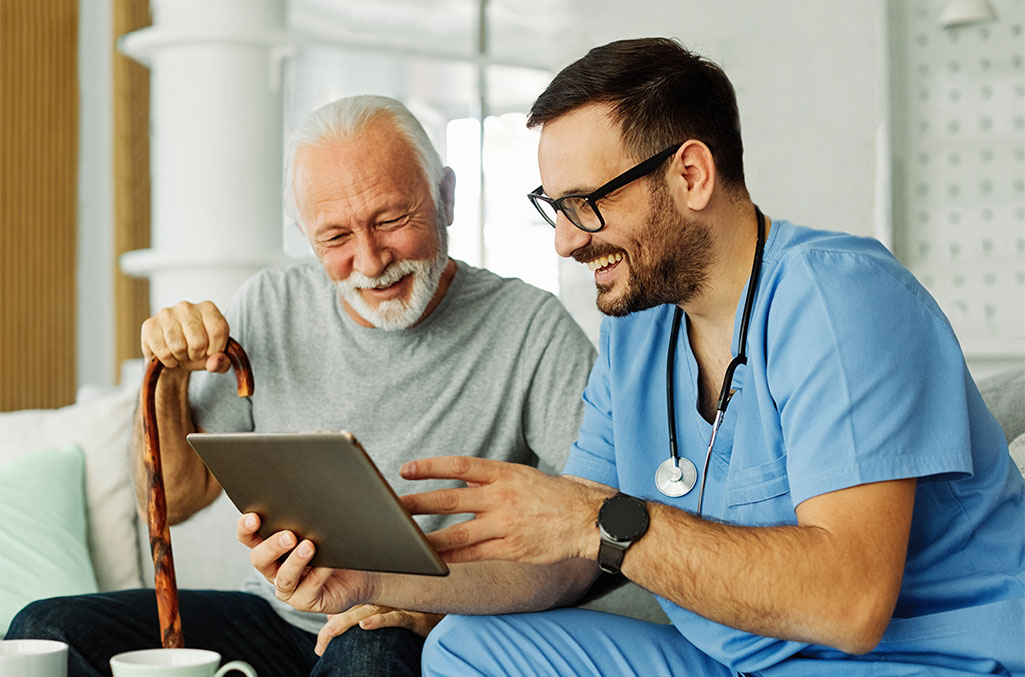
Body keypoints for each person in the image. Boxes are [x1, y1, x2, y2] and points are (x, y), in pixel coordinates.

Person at [246, 39, 1025, 676]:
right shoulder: (638, 327)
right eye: (553, 209)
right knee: (464, 650)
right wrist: (375, 581)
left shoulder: (840, 298)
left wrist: (594, 516)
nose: (564, 241)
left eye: (587, 204)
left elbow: (849, 605)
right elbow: (566, 562)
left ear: (689, 174)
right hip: (732, 661)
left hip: (916, 662)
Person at [6, 95, 597, 676]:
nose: (369, 261)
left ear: (445, 197)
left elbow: (594, 537)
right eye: (335, 238)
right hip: (277, 616)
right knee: (44, 628)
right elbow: (175, 501)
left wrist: (446, 610)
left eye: (391, 220)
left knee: (369, 649)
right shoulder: (271, 303)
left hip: (411, 623)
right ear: (305, 235)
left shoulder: (531, 328)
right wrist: (171, 376)